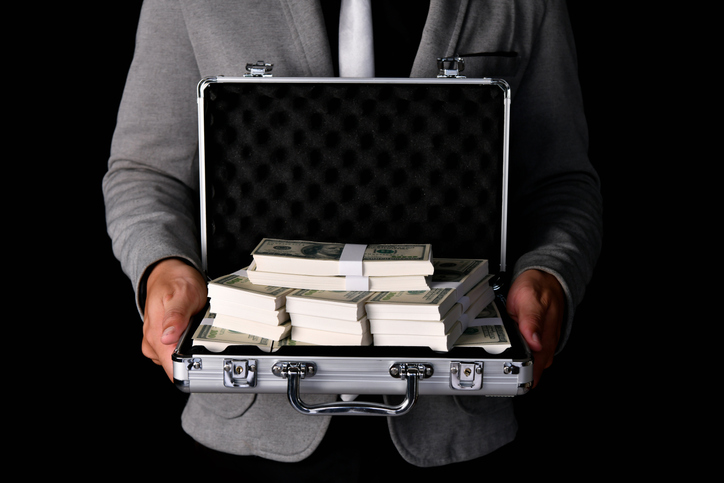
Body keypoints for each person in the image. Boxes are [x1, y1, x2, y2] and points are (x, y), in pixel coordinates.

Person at [103, 0, 602, 476]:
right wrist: (162, 267)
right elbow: (147, 171)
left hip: (459, 433)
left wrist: (549, 274)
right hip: (249, 434)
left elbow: (560, 181)